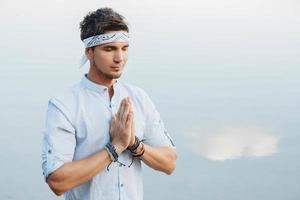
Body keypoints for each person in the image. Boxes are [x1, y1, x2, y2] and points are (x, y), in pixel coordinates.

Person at [41, 7, 177, 200]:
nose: (119, 58)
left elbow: (169, 163)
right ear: (89, 51)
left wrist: (134, 144)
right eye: (109, 49)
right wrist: (115, 148)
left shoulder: (139, 97)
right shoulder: (64, 105)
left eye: (124, 48)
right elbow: (57, 182)